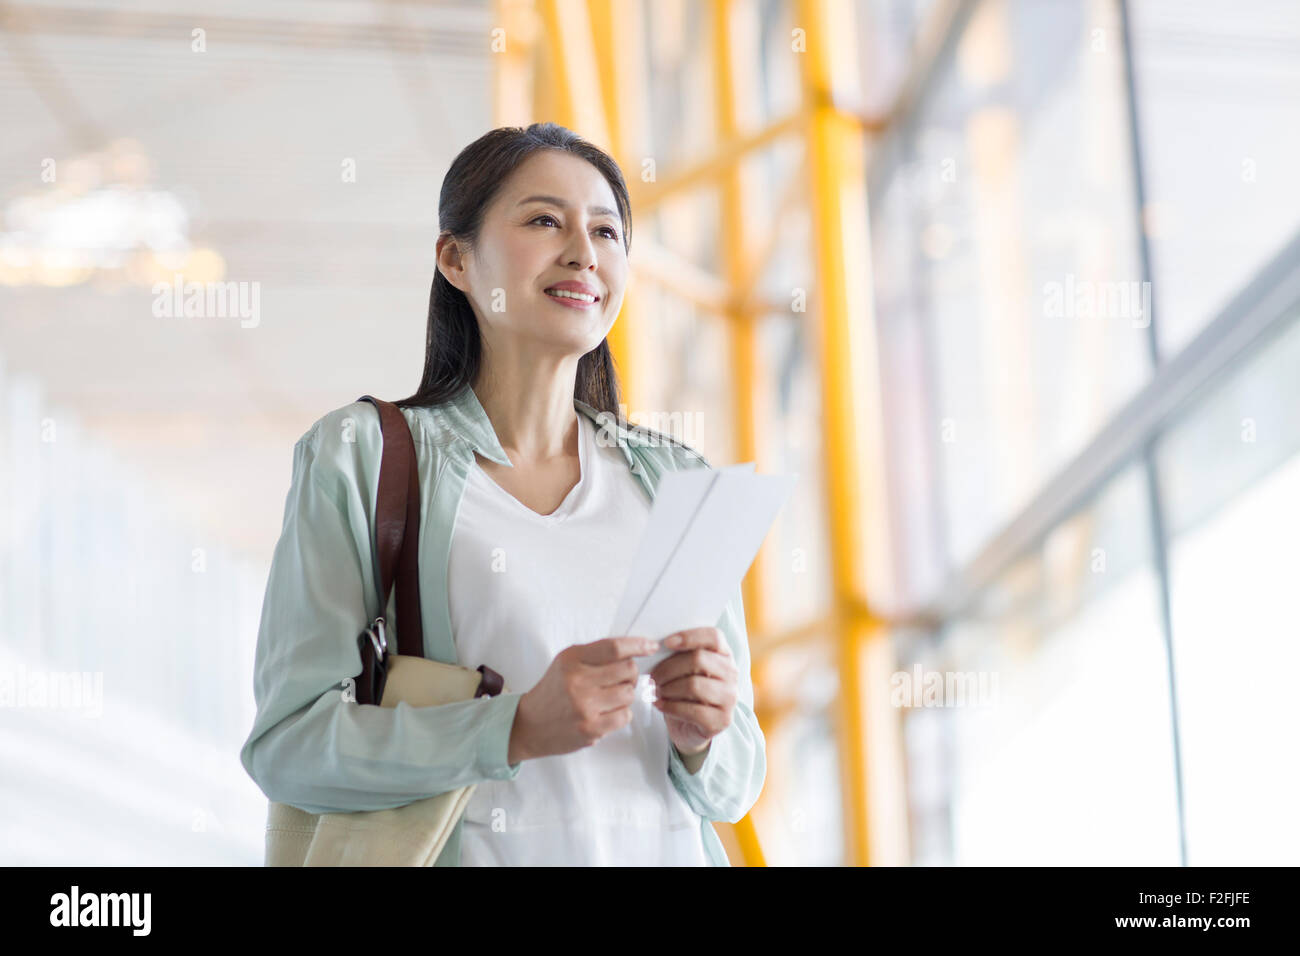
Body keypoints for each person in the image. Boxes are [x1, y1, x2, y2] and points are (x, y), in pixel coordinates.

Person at [240, 122, 766, 866]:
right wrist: (512, 728)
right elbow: (288, 746)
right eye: (545, 220)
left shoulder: (677, 479)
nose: (584, 251)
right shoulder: (361, 455)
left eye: (608, 231)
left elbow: (735, 786)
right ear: (456, 259)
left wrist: (705, 734)